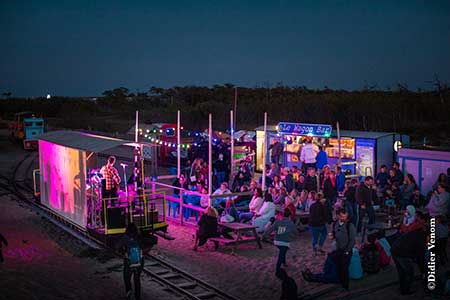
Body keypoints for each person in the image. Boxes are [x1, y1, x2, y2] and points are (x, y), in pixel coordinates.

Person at [391, 224, 427, 295]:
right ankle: (406, 290)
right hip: (402, 253)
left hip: (394, 249)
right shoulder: (421, 239)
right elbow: (420, 258)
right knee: (409, 273)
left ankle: (403, 288)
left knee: (401, 271)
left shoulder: (414, 232)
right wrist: (423, 271)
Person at [329, 208, 356, 290]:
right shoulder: (335, 224)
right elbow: (333, 233)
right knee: (338, 267)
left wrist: (347, 251)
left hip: (346, 251)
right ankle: (340, 282)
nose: (344, 218)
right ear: (338, 216)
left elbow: (352, 240)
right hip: (337, 249)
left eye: (345, 216)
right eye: (342, 217)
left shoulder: (350, 225)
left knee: (344, 269)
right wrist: (332, 236)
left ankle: (345, 286)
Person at [119, 223, 144, 300]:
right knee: (137, 279)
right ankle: (138, 297)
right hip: (139, 262)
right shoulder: (139, 236)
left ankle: (129, 294)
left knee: (127, 278)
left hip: (129, 262)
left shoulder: (125, 237)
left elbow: (118, 247)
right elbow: (143, 246)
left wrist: (123, 252)